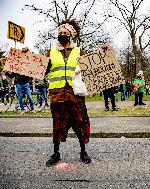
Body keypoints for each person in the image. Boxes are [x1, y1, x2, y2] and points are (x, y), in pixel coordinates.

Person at [43, 19, 91, 167]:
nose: (62, 35)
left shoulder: (79, 51)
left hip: (75, 95)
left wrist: (104, 52)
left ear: (72, 35)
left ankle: (83, 152)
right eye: (60, 33)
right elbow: (40, 69)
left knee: (80, 124)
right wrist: (26, 55)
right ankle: (56, 153)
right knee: (57, 126)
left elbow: (92, 67)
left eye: (65, 33)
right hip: (57, 96)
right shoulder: (50, 52)